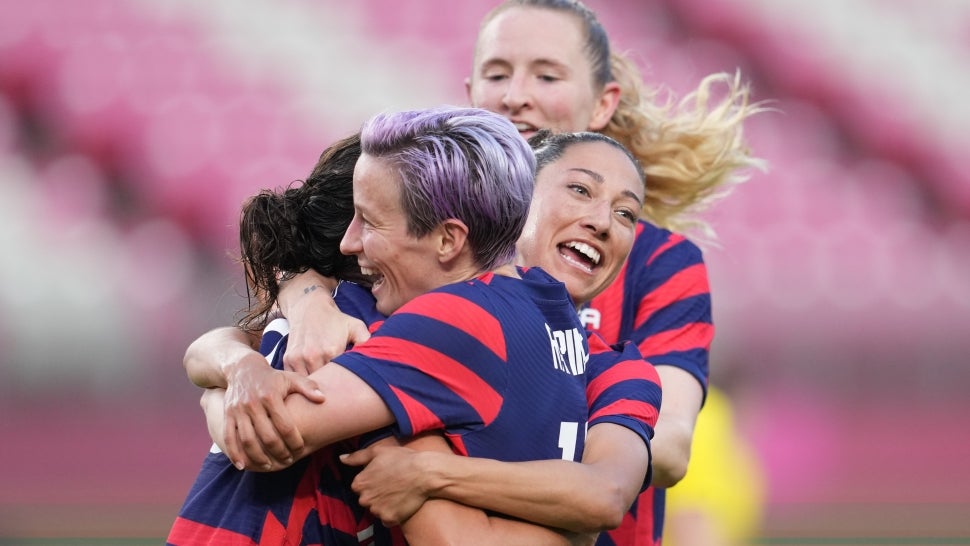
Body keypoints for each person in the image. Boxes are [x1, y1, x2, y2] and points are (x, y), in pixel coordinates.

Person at [274, 1, 765, 545]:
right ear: (469, 92)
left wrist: (443, 469)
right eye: (497, 73)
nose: (515, 95)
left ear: (603, 103)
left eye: (546, 74)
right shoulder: (432, 222)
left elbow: (667, 449)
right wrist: (304, 303)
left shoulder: (659, 262)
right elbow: (286, 313)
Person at [177, 108, 662, 544]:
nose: (601, 221)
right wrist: (243, 361)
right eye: (579, 189)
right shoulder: (380, 309)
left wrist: (432, 473)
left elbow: (602, 498)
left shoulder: (445, 320)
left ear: (453, 234)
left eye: (626, 213)